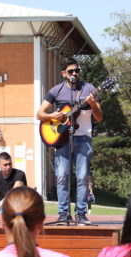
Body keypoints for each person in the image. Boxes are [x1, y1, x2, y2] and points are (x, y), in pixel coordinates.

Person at [36, 56, 103, 225]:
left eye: (77, 71)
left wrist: (93, 104)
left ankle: (81, 213)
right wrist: (52, 115)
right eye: (71, 71)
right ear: (64, 73)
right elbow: (39, 114)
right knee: (62, 176)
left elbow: (100, 117)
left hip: (84, 139)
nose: (75, 73)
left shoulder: (89, 88)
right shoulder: (56, 90)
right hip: (63, 139)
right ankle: (63, 214)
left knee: (82, 177)